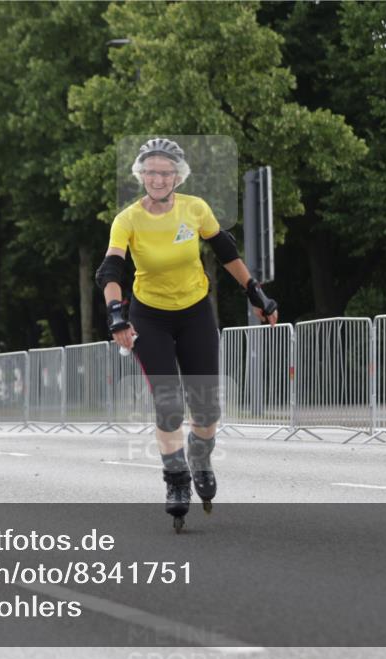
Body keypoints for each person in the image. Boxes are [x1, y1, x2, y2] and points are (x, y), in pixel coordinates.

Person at [96, 138, 278, 532]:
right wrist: (116, 315)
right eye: (150, 171)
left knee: (207, 409)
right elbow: (110, 270)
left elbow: (226, 251)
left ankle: (200, 455)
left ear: (178, 175)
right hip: (150, 317)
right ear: (140, 175)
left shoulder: (194, 208)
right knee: (169, 406)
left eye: (165, 171)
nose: (158, 178)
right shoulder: (127, 219)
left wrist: (256, 294)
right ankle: (176, 481)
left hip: (195, 312)